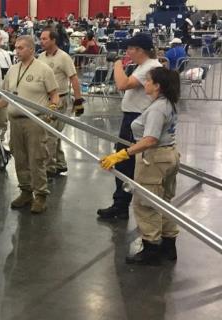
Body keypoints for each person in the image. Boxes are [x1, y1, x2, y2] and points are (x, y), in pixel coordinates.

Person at [100, 67, 180, 265]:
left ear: (157, 86)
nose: (145, 84)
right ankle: (169, 245)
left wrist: (123, 154)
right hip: (168, 154)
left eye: (149, 81)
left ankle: (151, 248)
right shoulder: (166, 103)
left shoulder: (157, 109)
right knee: (164, 201)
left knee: (145, 204)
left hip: (154, 159)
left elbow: (150, 139)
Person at [97, 33, 163, 220]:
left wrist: (117, 63)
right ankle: (121, 204)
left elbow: (122, 84)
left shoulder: (149, 67)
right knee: (124, 162)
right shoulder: (144, 66)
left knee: (126, 162)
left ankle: (125, 205)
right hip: (133, 117)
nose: (127, 53)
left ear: (139, 50)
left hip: (138, 119)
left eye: (129, 49)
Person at [0, 35, 59, 214]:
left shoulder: (44, 70)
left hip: (35, 121)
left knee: (37, 159)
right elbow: (5, 96)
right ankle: (26, 191)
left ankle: (40, 195)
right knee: (20, 158)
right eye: (16, 47)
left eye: (21, 48)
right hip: (15, 122)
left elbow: (55, 95)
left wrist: (52, 109)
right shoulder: (12, 70)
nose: (16, 51)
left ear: (31, 50)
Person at [38, 27, 83, 177]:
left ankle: (49, 168)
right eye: (41, 38)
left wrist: (78, 101)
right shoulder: (41, 57)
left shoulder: (64, 57)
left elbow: (74, 78)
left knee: (49, 134)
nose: (41, 41)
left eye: (45, 39)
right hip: (45, 99)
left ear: (53, 40)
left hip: (60, 100)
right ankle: (60, 163)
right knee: (53, 133)